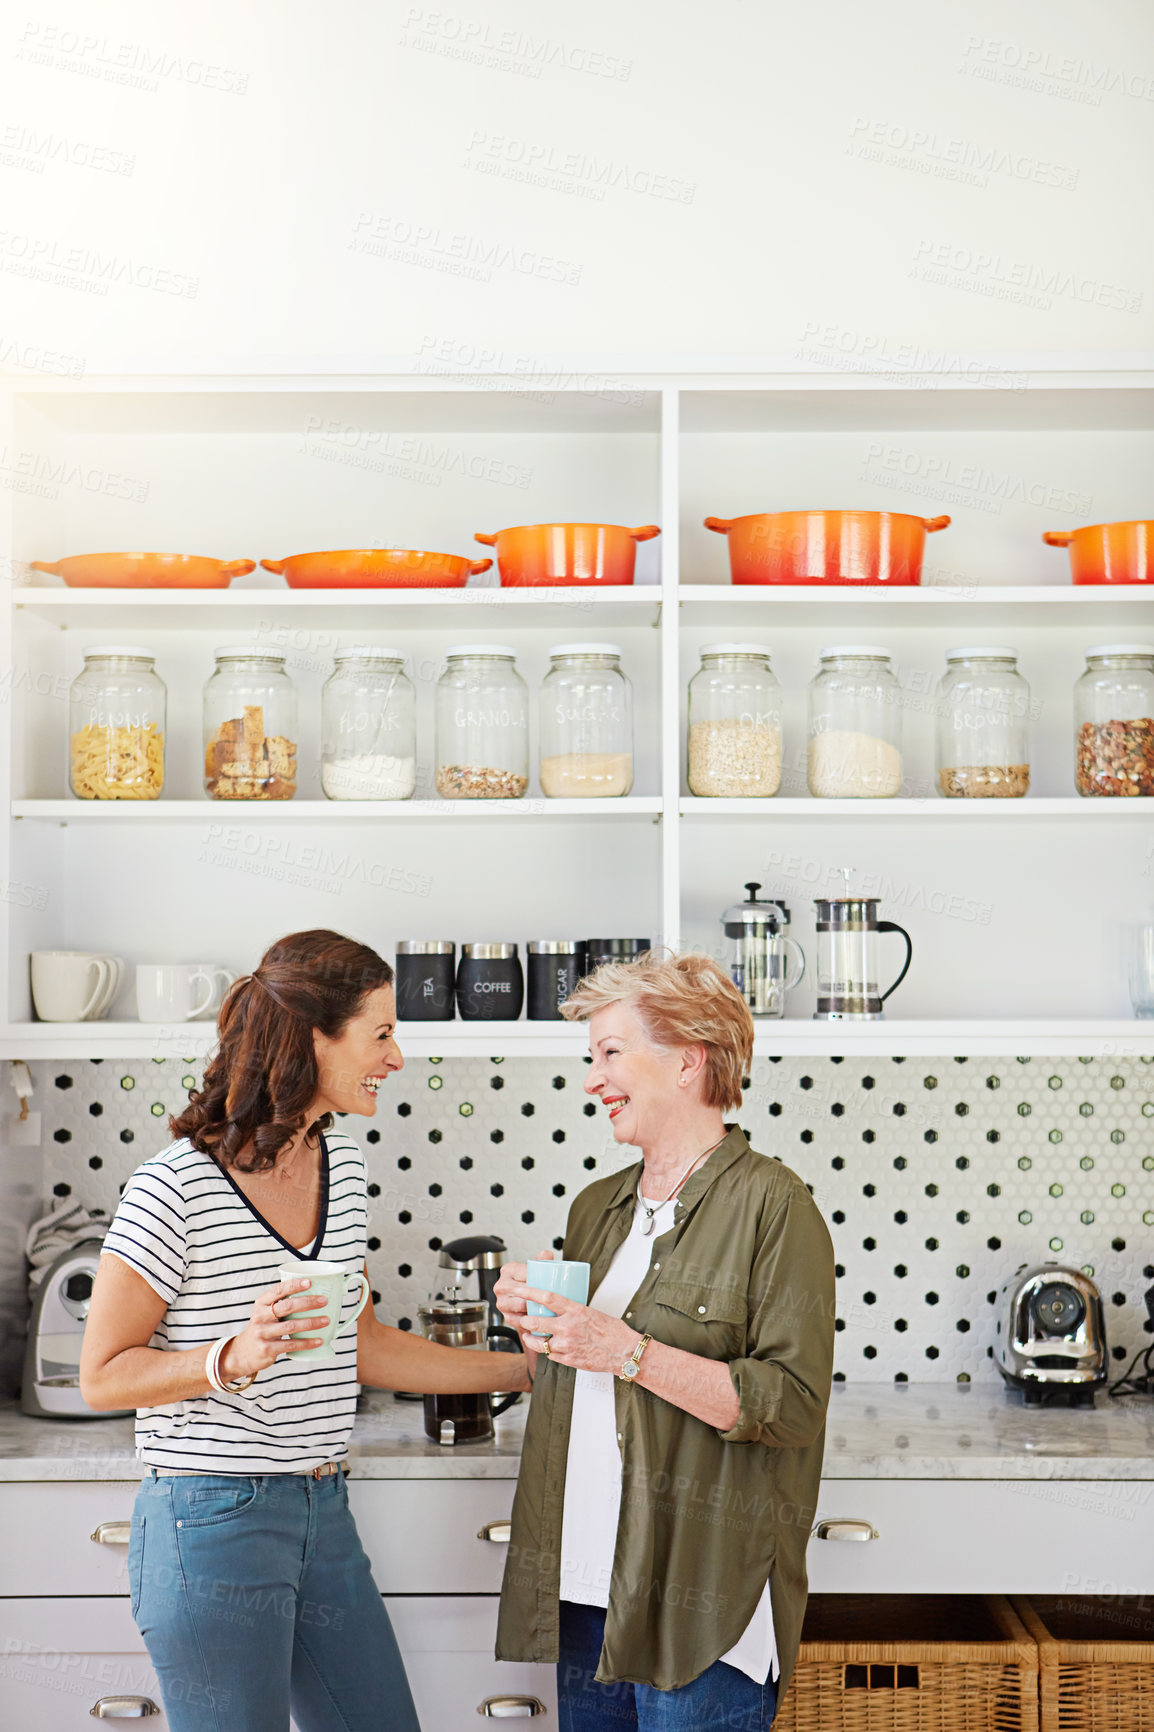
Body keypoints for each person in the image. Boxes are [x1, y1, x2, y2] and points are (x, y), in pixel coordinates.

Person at [81, 929, 528, 1732]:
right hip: (209, 1519)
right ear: (309, 1041)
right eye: (381, 1033)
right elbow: (104, 1374)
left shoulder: (342, 1166)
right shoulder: (174, 1187)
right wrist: (233, 1357)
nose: (397, 1057)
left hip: (322, 1509)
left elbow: (362, 1342)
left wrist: (521, 1372)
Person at [493, 950, 834, 1731]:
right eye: (591, 1058)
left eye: (611, 1053)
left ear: (689, 1061)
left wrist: (627, 1351)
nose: (592, 1080)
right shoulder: (597, 1207)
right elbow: (585, 1376)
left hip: (699, 1601)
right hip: (589, 1586)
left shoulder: (775, 1207)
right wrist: (543, 1329)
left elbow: (791, 1406)